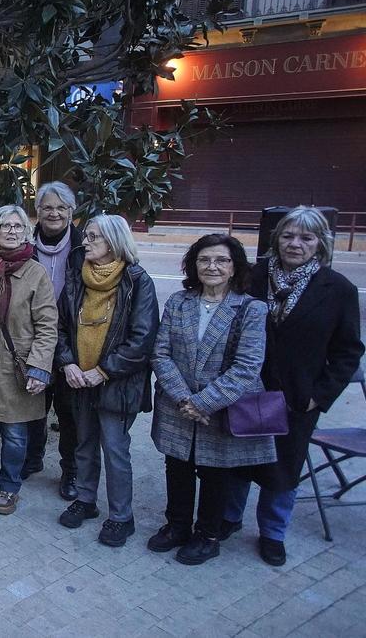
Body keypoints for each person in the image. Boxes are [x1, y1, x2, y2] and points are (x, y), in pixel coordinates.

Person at [225, 207, 363, 566]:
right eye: (288, 236)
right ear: (276, 239)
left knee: (283, 468)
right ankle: (228, 518)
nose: (295, 244)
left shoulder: (338, 290)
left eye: (306, 237)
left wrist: (319, 396)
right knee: (237, 458)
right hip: (246, 388)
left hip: (297, 398)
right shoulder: (250, 278)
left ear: (320, 243)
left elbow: (348, 352)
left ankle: (272, 533)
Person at [150, 234, 275, 565]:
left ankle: (207, 535)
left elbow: (248, 366)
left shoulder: (251, 309)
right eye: (204, 260)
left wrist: (202, 403)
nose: (212, 266)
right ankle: (176, 525)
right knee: (177, 465)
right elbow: (161, 353)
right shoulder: (179, 302)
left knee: (215, 472)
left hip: (221, 408)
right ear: (194, 265)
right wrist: (183, 399)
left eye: (221, 260)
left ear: (235, 267)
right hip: (178, 405)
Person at [55, 214, 159, 547]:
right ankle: (86, 500)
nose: (86, 242)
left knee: (115, 450)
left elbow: (142, 339)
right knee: (83, 444)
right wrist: (68, 363)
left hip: (115, 382)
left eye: (94, 237)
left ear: (114, 242)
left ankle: (121, 518)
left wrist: (102, 371)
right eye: (87, 236)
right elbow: (60, 326)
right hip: (79, 379)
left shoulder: (137, 280)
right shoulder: (77, 276)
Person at [0, 206, 58, 516]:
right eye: (3, 225)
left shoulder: (36, 273)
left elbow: (48, 326)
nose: (10, 230)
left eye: (17, 226)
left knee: (15, 435)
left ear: (25, 231)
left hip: (19, 367)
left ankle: (9, 486)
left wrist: (40, 367)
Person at [23, 182, 85, 500]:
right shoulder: (23, 243)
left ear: (71, 211)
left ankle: (70, 471)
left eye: (62, 207)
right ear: (38, 210)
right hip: (31, 339)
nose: (55, 213)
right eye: (48, 207)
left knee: (69, 411)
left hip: (72, 342)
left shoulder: (84, 246)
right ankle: (32, 457)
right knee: (33, 404)